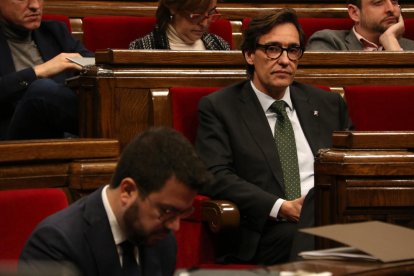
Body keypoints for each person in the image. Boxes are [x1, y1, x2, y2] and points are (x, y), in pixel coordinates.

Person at [196, 8, 353, 265]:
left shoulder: (328, 104)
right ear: (249, 55)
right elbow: (215, 175)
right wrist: (281, 206)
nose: (284, 60)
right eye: (272, 49)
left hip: (331, 215)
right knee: (313, 235)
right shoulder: (220, 107)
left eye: (293, 50)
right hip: (267, 229)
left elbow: (352, 162)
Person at [19, 127, 212, 276]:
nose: (175, 226)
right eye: (168, 211)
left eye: (182, 213)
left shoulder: (163, 241)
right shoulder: (56, 244)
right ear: (127, 190)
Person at [0, 0, 93, 140]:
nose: (35, 6)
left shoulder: (54, 32)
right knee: (41, 89)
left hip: (69, 134)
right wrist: (38, 71)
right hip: (11, 141)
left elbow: (94, 63)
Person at [306, 0, 414, 51]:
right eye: (378, 3)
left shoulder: (411, 48)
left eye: (394, 2)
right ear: (355, 13)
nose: (390, 9)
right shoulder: (328, 42)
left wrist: (391, 44)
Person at [129, 0, 230, 50]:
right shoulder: (142, 48)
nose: (204, 24)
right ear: (173, 8)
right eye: (197, 15)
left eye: (211, 13)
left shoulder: (221, 46)